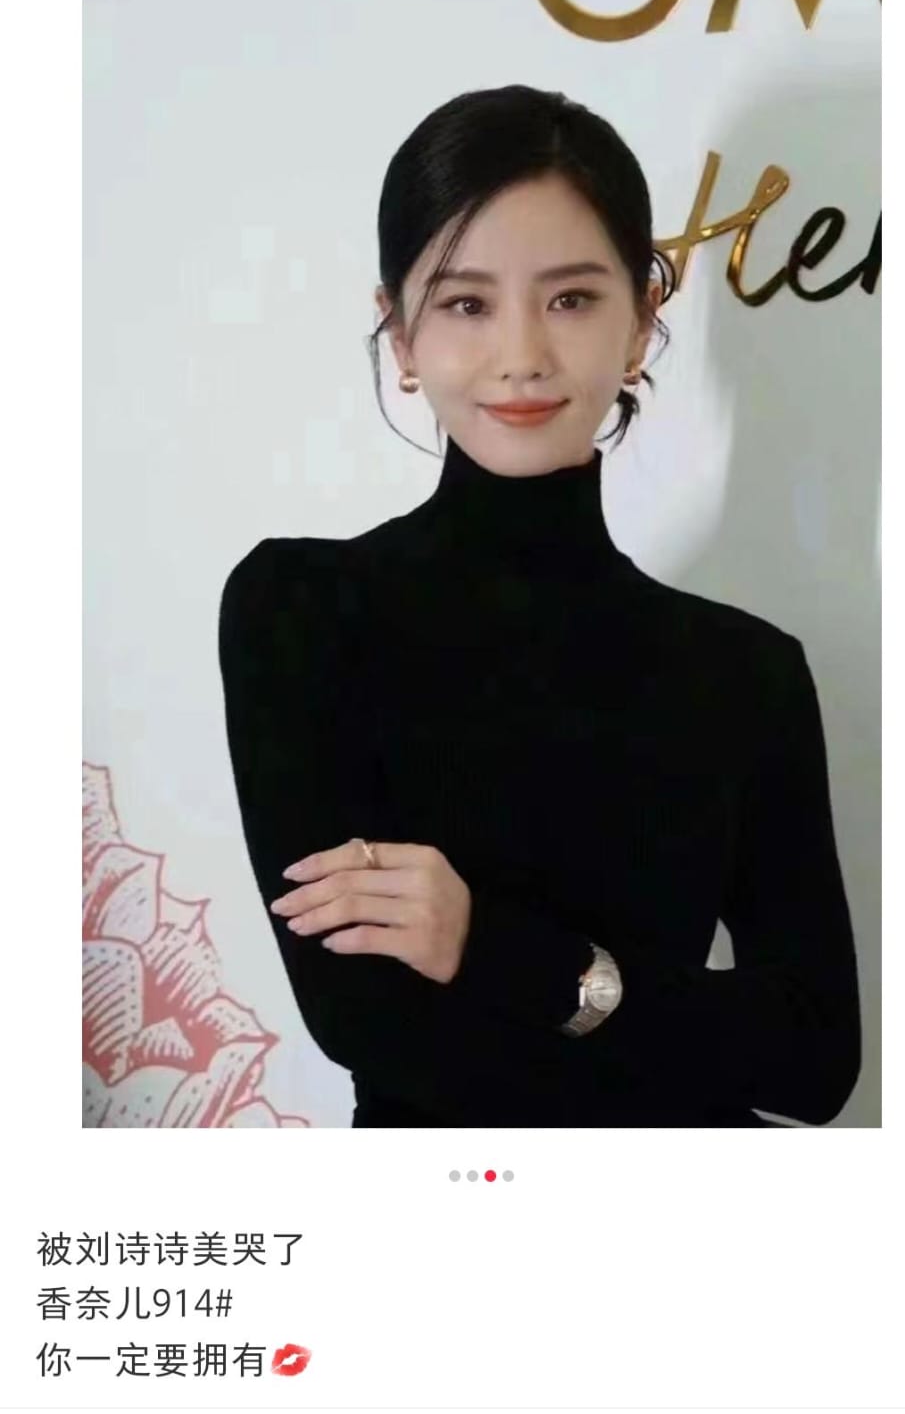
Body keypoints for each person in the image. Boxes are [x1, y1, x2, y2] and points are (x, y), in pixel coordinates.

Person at [218, 84, 861, 1128]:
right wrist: (673, 1024)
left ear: (640, 322)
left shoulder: (748, 672)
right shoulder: (302, 609)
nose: (520, 353)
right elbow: (373, 1025)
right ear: (399, 335)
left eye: (569, 299)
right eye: (465, 304)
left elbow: (813, 1061)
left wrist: (489, 947)